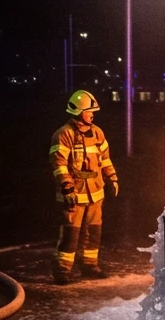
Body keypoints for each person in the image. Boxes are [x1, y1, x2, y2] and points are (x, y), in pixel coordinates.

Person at [50, 90, 119, 284]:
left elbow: (105, 159)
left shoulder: (97, 133)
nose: (92, 115)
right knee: (70, 234)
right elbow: (59, 164)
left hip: (95, 193)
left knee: (94, 231)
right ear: (78, 112)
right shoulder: (63, 135)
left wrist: (112, 177)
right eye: (89, 111)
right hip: (74, 194)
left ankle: (89, 265)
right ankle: (62, 270)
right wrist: (67, 187)